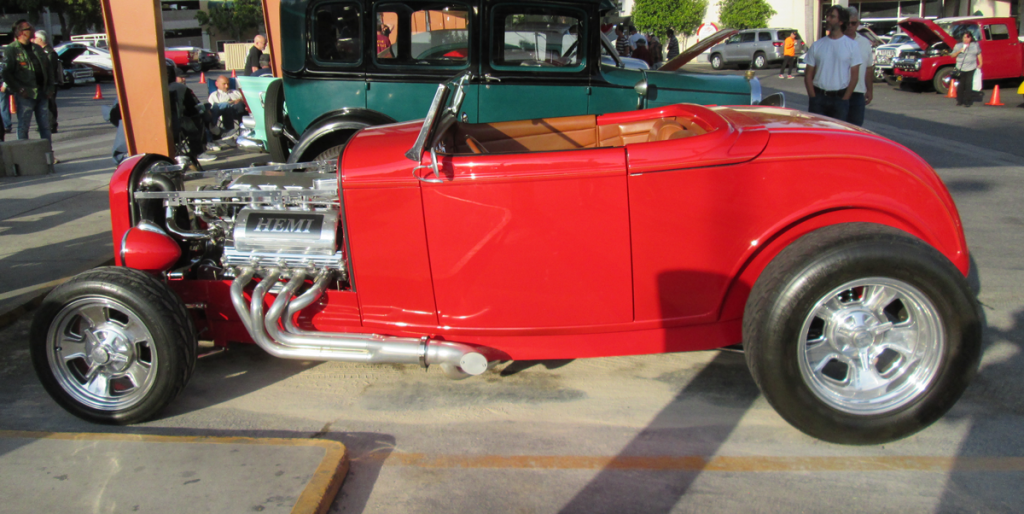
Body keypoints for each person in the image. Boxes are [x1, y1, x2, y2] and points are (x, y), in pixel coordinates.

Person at [803, 6, 862, 121]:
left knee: (837, 136)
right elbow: (808, 75)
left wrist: (845, 98)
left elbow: (855, 76)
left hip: (840, 99)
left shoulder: (852, 45)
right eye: (827, 16)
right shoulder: (817, 45)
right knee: (818, 135)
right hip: (818, 98)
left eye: (832, 17)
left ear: (841, 21)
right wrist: (813, 97)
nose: (828, 19)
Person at [2, 20, 54, 141]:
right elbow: (6, 73)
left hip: (42, 92)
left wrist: (51, 87)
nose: (33, 30)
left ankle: (48, 154)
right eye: (29, 28)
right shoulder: (11, 50)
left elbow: (49, 69)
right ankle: (24, 155)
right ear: (21, 32)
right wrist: (18, 89)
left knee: (45, 126)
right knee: (24, 126)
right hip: (26, 94)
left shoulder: (37, 48)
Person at [844, 8, 874, 126]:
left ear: (858, 23)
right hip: (838, 93)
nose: (850, 26)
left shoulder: (864, 43)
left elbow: (869, 68)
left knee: (855, 129)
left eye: (854, 23)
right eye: (848, 23)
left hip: (857, 94)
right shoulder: (836, 41)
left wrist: (870, 90)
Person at [33, 29, 62, 133]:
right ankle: (45, 124)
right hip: (44, 83)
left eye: (35, 38)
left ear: (40, 39)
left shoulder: (49, 53)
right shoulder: (41, 51)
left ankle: (51, 125)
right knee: (44, 104)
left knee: (50, 104)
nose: (33, 40)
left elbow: (49, 70)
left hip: (50, 83)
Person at [950, 31, 982, 107]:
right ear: (962, 38)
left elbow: (979, 53)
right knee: (961, 84)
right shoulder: (958, 45)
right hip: (961, 67)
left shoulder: (975, 45)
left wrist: (980, 63)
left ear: (971, 38)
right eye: (965, 37)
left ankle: (968, 101)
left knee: (968, 84)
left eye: (968, 37)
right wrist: (959, 51)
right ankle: (960, 100)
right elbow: (952, 55)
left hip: (971, 67)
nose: (966, 39)